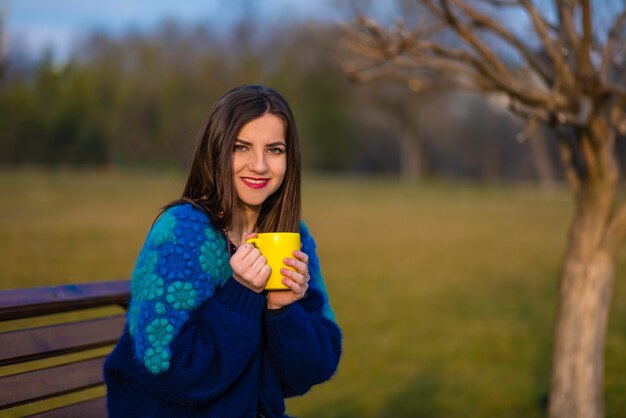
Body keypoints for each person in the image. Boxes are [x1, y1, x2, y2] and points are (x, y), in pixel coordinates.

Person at [103, 85, 342, 417]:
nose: (259, 165)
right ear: (215, 151)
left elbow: (315, 367)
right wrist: (242, 293)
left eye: (274, 150)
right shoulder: (184, 231)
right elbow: (168, 371)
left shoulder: (291, 236)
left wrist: (283, 311)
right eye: (241, 147)